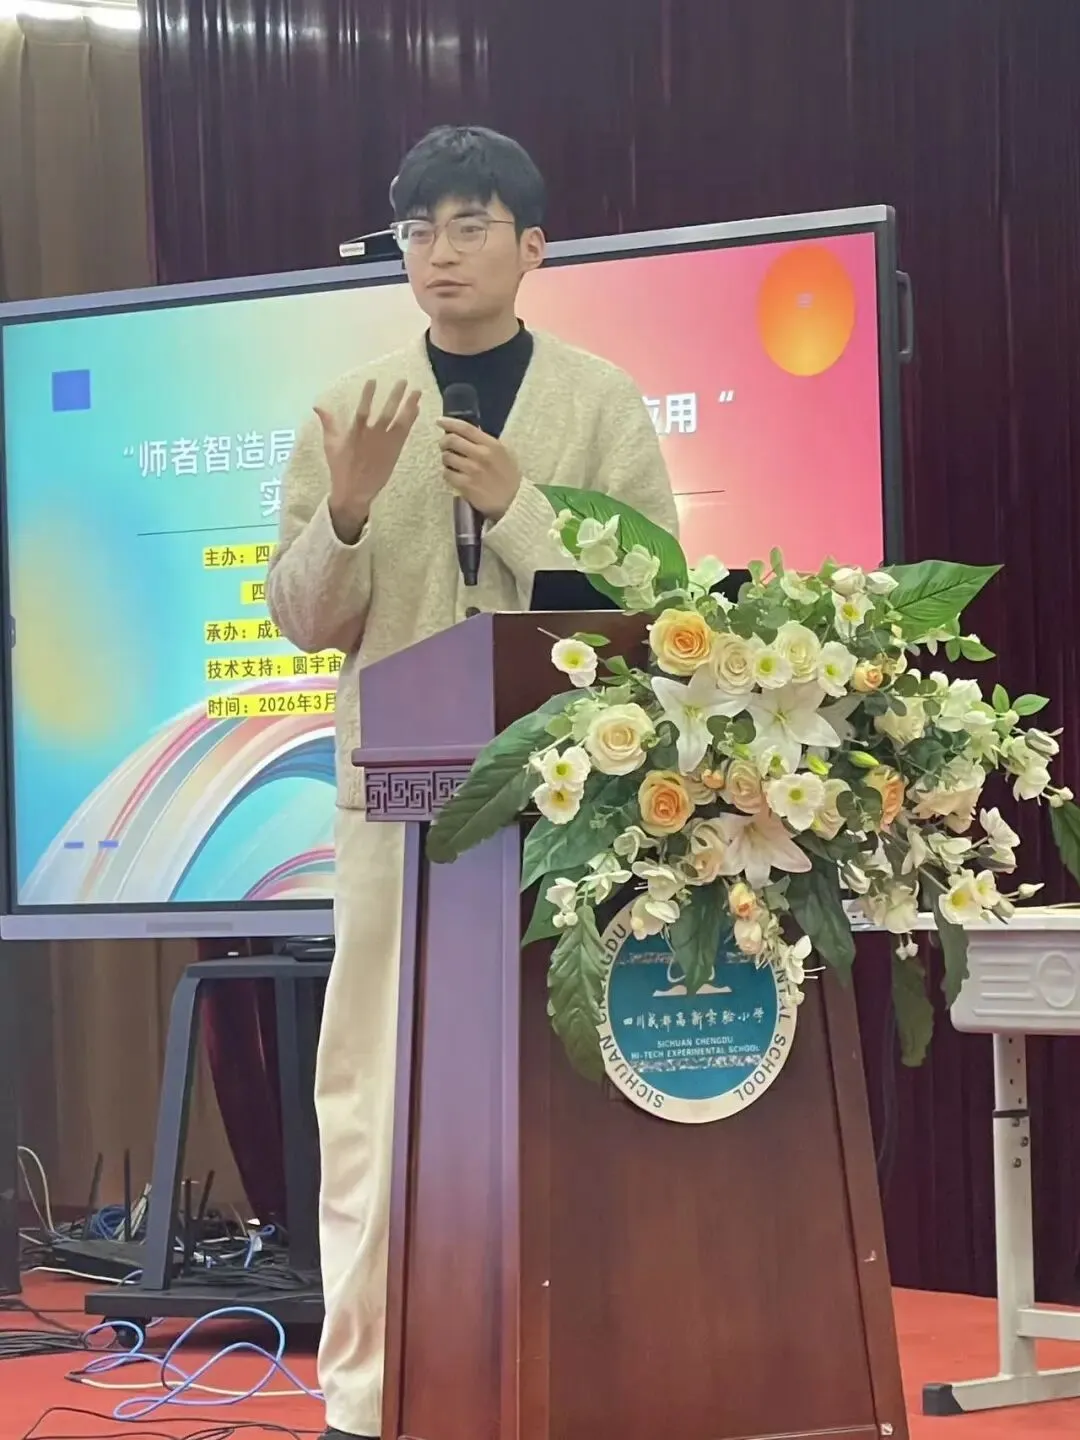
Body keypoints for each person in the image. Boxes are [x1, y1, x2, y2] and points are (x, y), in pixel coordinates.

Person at [267, 125, 678, 1440]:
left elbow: (656, 603)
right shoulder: (349, 410)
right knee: (372, 1099)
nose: (438, 253)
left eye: (468, 226)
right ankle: (365, 1396)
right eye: (417, 231)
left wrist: (518, 510)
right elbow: (300, 620)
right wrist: (343, 513)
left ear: (531, 246)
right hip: (395, 809)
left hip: (570, 804)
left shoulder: (600, 404)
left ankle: (581, 1380)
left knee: (566, 1092)